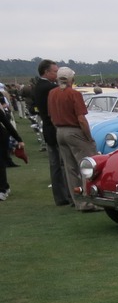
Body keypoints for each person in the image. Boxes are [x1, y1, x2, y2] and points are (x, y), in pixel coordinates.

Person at [48, 67, 99, 212]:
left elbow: (51, 116)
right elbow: (81, 118)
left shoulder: (52, 93)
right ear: (71, 79)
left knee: (70, 168)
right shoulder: (74, 94)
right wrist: (88, 137)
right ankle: (89, 201)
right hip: (74, 130)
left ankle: (78, 201)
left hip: (60, 131)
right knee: (87, 165)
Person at [33, 59, 72, 206]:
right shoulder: (47, 87)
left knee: (56, 164)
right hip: (53, 129)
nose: (57, 74)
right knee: (60, 164)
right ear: (46, 72)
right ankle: (64, 195)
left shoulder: (40, 86)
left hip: (49, 129)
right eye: (55, 72)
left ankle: (62, 196)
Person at [0, 103, 25, 200]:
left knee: (0, 162)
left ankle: (2, 190)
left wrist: (19, 139)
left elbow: (7, 124)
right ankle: (5, 186)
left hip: (1, 138)